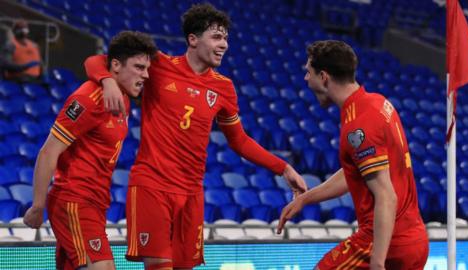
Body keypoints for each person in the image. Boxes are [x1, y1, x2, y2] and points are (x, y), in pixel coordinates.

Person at [83, 3, 307, 269]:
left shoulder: (224, 87)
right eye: (216, 37)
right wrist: (107, 80)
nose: (224, 44)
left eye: (225, 38)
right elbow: (96, 60)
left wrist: (283, 168)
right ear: (192, 39)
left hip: (191, 194)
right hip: (152, 186)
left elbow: (240, 141)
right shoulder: (159, 66)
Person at [276, 40, 428, 270]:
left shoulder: (359, 125)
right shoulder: (378, 103)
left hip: (383, 243)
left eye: (308, 72)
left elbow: (386, 196)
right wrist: (306, 198)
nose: (306, 79)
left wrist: (377, 261)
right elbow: (356, 172)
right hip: (414, 239)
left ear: (324, 77)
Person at [23, 31, 157, 270]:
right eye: (139, 67)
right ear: (115, 65)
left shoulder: (123, 97)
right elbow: (48, 152)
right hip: (75, 201)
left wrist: (108, 80)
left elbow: (95, 61)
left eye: (147, 68)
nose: (145, 75)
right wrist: (37, 206)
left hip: (96, 203)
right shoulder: (89, 99)